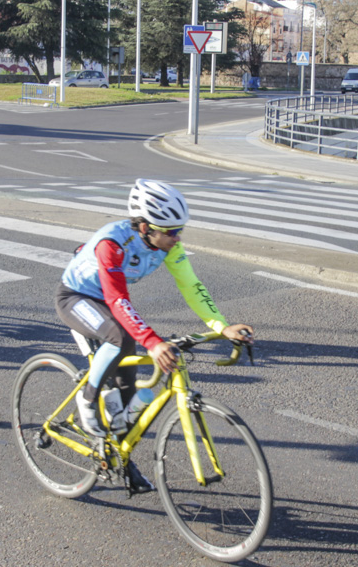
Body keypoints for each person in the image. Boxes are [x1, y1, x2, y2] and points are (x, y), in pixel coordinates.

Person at [56, 179, 254, 489]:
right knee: (122, 339)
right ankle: (88, 398)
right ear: (145, 227)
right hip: (78, 298)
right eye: (171, 231)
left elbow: (191, 285)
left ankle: (120, 460)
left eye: (180, 231)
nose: (177, 238)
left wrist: (221, 326)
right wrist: (152, 341)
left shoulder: (168, 246)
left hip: (111, 302)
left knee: (127, 393)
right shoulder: (112, 244)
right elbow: (118, 300)